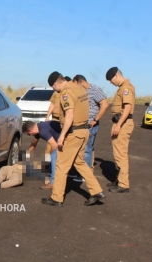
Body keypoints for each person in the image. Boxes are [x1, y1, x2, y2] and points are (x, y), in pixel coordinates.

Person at [41, 72, 105, 207]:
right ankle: (96, 191)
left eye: (54, 88)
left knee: (61, 165)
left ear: (55, 84)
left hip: (74, 133)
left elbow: (69, 114)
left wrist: (62, 135)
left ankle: (56, 198)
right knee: (80, 163)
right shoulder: (79, 88)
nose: (55, 91)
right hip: (84, 131)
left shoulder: (66, 92)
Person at [72, 75, 109, 178]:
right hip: (81, 125)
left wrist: (95, 120)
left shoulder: (95, 89)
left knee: (87, 149)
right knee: (82, 149)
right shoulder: (81, 92)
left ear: (82, 82)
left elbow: (105, 104)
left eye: (76, 85)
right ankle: (81, 172)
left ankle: (86, 175)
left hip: (90, 125)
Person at [105, 67, 135, 193]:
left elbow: (127, 108)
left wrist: (118, 125)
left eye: (111, 80)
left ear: (116, 75)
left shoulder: (126, 88)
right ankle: (120, 179)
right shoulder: (122, 88)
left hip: (122, 123)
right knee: (118, 153)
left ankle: (123, 184)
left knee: (121, 154)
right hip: (120, 122)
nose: (110, 83)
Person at [23, 120, 61, 189]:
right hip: (62, 137)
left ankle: (52, 182)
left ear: (31, 131)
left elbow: (55, 146)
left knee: (52, 157)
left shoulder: (42, 131)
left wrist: (49, 157)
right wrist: (25, 158)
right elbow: (33, 144)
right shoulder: (38, 127)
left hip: (68, 138)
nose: (30, 135)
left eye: (29, 134)